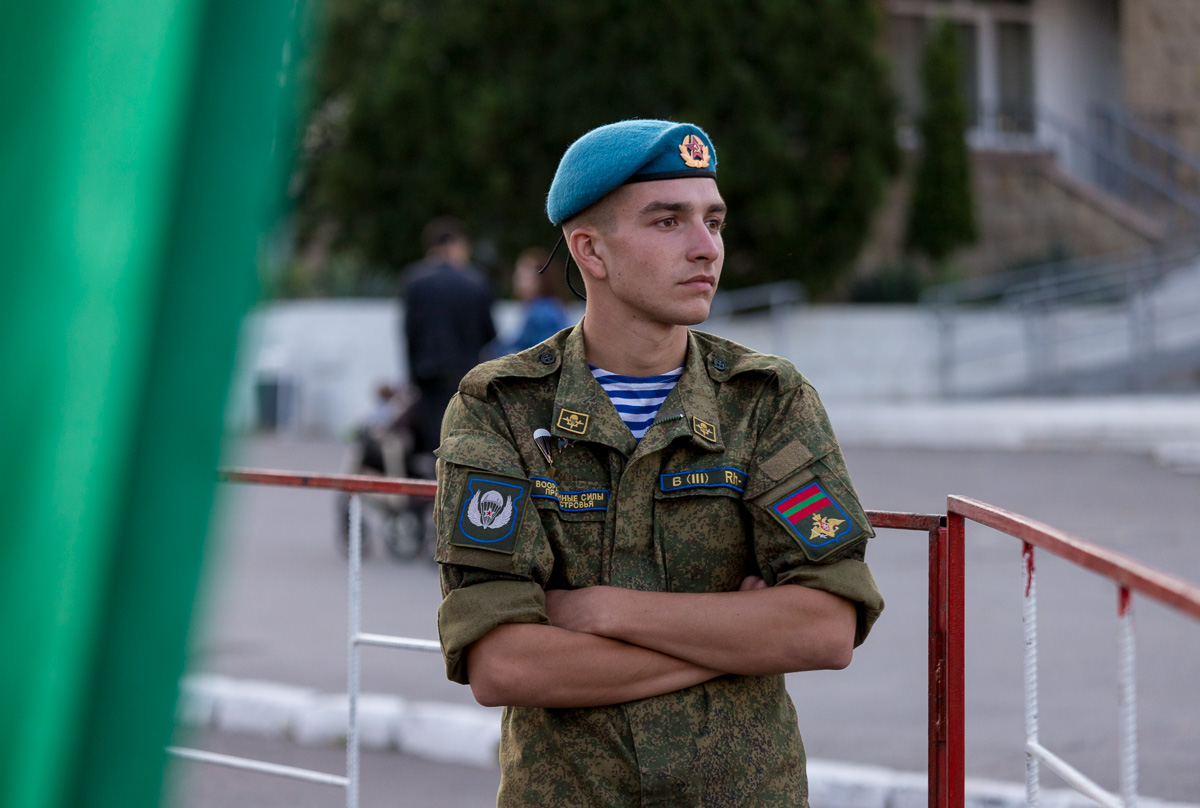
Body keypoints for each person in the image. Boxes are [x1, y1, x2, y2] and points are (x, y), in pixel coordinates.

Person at [432, 120, 884, 806]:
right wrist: (736, 637)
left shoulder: (763, 399)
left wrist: (602, 609)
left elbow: (824, 629)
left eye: (714, 221)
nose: (707, 248)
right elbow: (504, 664)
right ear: (590, 249)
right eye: (668, 221)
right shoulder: (502, 406)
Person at [400, 216, 496, 479]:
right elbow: (490, 333)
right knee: (462, 439)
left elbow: (409, 333)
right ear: (457, 244)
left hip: (427, 374)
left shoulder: (414, 281)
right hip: (465, 374)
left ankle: (431, 493)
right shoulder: (475, 281)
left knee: (433, 442)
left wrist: (412, 375)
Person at [493, 246, 574, 356]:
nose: (518, 280)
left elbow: (546, 354)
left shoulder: (543, 313)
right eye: (518, 274)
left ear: (542, 279)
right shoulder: (543, 307)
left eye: (525, 276)